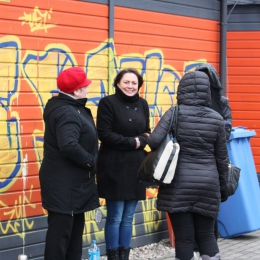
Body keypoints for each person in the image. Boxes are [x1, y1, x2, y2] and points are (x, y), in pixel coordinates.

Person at [148, 71, 229, 260]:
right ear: (207, 91)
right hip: (208, 185)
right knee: (207, 235)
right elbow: (222, 159)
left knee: (184, 239)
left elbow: (153, 141)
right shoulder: (216, 119)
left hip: (178, 184)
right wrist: (222, 189)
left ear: (181, 90)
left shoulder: (174, 112)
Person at [39, 67, 100, 260]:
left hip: (72, 186)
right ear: (76, 91)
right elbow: (69, 145)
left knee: (73, 238)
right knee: (60, 238)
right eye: (85, 86)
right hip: (65, 187)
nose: (88, 89)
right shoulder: (67, 112)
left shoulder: (70, 107)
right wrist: (91, 162)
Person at [96, 68, 151, 260]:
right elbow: (104, 133)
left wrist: (141, 140)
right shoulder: (107, 103)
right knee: (115, 216)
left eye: (134, 83)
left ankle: (124, 256)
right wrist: (133, 142)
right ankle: (113, 256)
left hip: (136, 166)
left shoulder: (143, 104)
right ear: (118, 83)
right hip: (114, 166)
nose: (130, 86)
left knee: (128, 217)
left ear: (139, 85)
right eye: (126, 82)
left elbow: (147, 132)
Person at [195, 63, 232, 248]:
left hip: (213, 162)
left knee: (210, 212)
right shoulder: (187, 101)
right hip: (191, 163)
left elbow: (227, 131)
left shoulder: (222, 102)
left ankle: (209, 246)